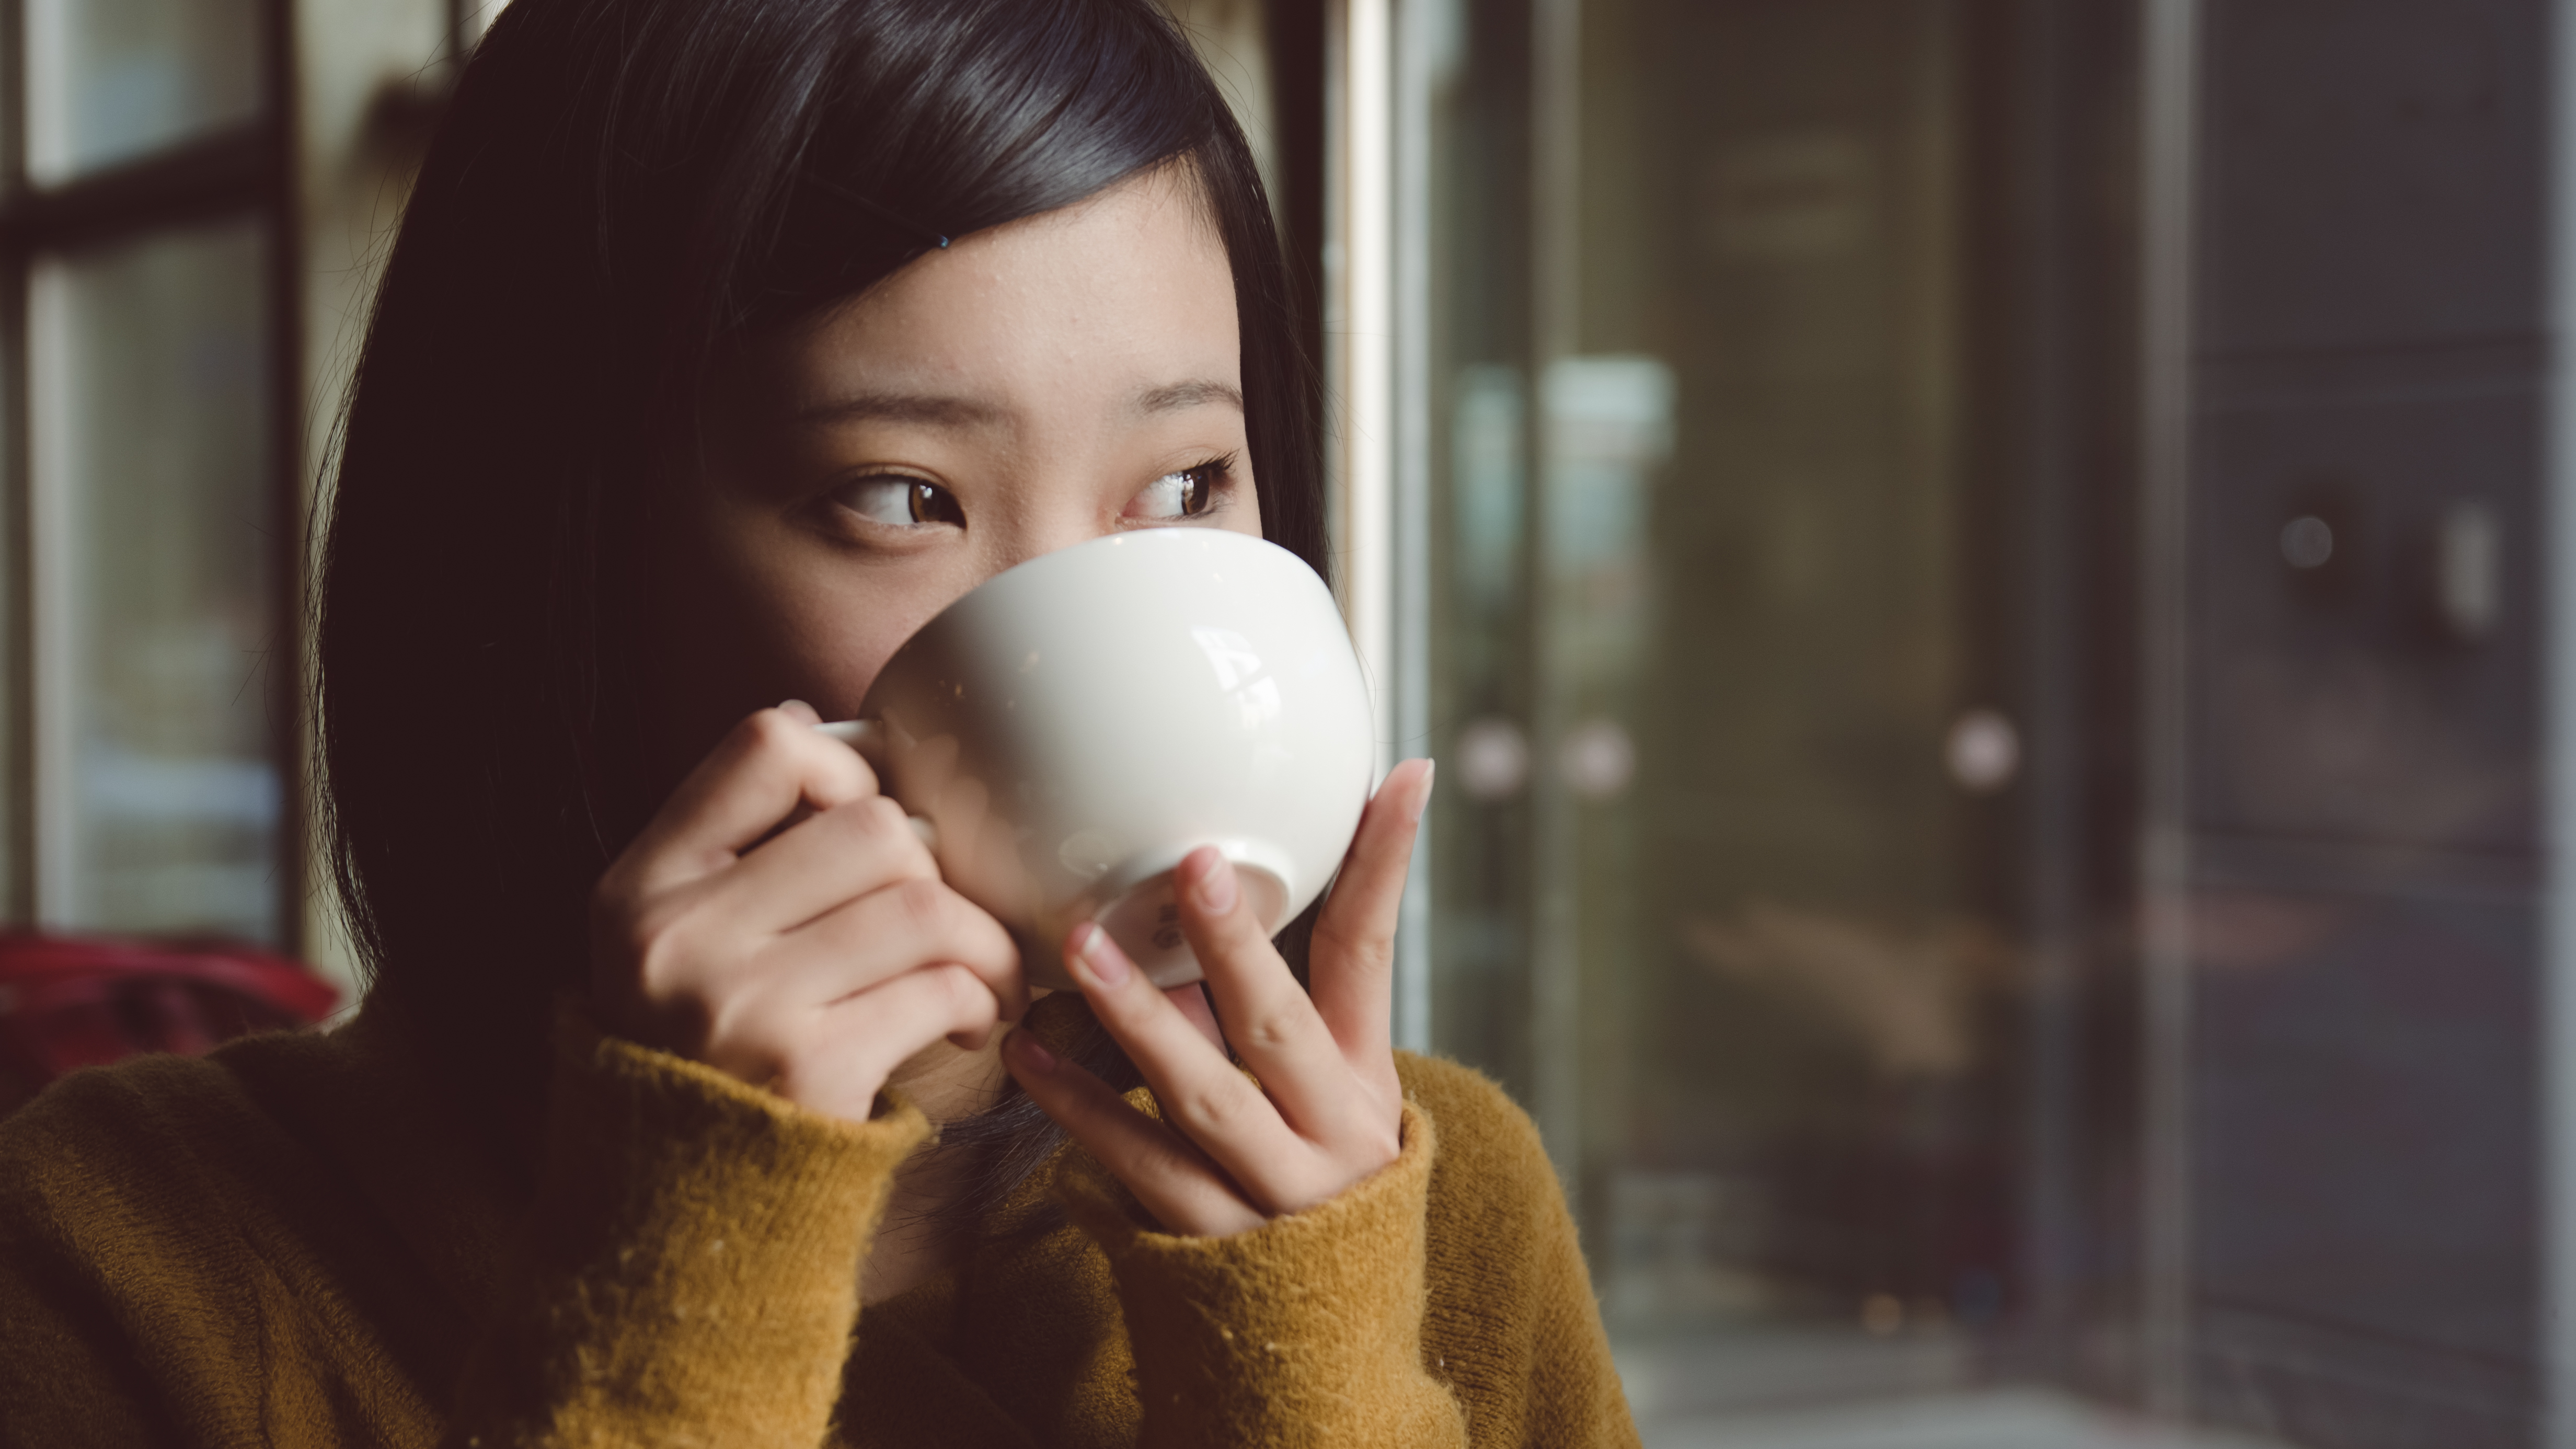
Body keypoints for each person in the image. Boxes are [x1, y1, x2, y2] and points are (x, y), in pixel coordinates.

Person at [0, 1, 1638, 1443]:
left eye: (1185, 483)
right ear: (566, 553)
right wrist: (685, 1281)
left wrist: (1316, 1369)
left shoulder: (1427, 1203)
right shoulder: (127, 1257)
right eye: (903, 496)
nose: (1091, 616)